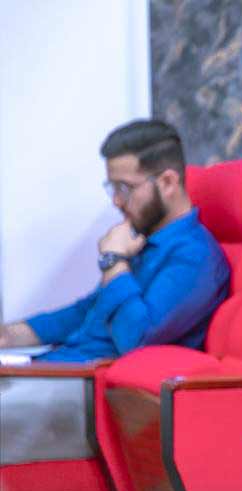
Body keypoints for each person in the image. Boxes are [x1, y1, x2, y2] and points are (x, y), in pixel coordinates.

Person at [0, 119, 229, 464]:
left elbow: (135, 339)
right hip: (54, 374)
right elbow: (84, 312)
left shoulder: (194, 257)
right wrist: (8, 336)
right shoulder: (140, 245)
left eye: (125, 188)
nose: (118, 202)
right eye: (112, 188)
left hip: (89, 394)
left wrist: (113, 261)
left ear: (168, 182)